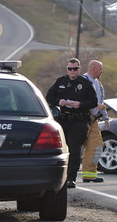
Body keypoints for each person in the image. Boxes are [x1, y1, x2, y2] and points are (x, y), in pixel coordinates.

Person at [46, 58, 98, 189]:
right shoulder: (60, 81)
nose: (72, 71)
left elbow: (93, 102)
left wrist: (80, 104)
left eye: (75, 69)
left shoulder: (85, 84)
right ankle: (58, 177)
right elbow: (49, 97)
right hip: (63, 119)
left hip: (78, 120)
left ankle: (71, 178)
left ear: (79, 69)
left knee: (74, 149)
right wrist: (59, 101)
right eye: (70, 69)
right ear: (67, 69)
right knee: (61, 149)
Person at [81, 60, 109, 183]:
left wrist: (106, 118)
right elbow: (81, 101)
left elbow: (101, 102)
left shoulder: (99, 84)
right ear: (93, 68)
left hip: (93, 120)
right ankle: (70, 176)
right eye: (100, 69)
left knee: (96, 146)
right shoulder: (82, 82)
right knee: (74, 147)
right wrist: (97, 106)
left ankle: (89, 174)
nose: (101, 71)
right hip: (81, 119)